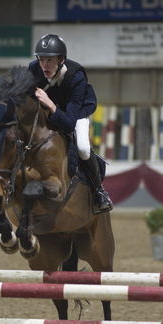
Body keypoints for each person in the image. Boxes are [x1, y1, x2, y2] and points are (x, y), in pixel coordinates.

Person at [29, 33, 112, 214]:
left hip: (76, 112)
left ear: (61, 59)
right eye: (41, 59)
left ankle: (99, 191)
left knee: (82, 147)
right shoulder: (33, 70)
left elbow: (68, 124)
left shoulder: (76, 76)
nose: (44, 65)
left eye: (49, 60)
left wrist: (51, 104)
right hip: (47, 110)